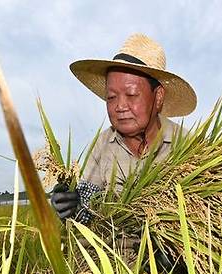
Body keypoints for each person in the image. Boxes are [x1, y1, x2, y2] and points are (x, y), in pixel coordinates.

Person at [51, 33, 197, 223]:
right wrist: (71, 205)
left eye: (131, 94)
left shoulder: (187, 146)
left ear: (158, 97)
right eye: (111, 97)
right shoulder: (103, 145)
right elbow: (87, 212)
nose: (119, 107)